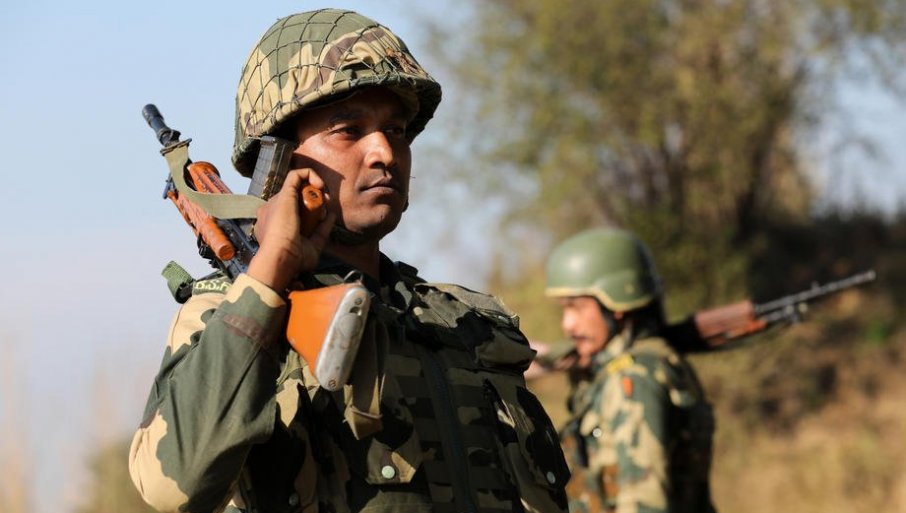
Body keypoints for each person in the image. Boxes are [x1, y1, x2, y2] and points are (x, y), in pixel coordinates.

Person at [128, 9, 569, 513]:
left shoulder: (468, 325)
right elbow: (171, 487)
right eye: (348, 130)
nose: (385, 152)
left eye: (396, 130)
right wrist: (268, 277)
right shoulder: (227, 316)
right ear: (279, 160)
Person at [543, 227, 716, 513]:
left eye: (577, 307)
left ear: (617, 304)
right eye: (564, 309)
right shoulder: (645, 363)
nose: (567, 325)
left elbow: (644, 502)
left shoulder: (634, 378)